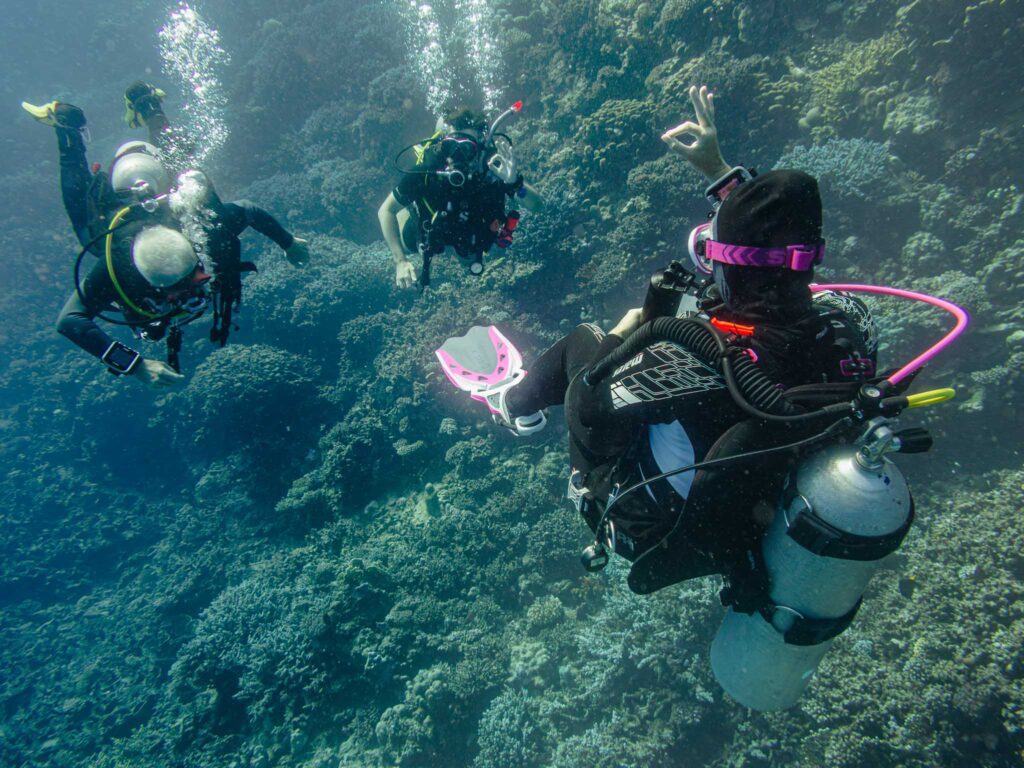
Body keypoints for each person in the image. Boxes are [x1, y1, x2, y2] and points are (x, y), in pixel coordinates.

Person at [435, 86, 881, 596]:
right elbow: (772, 246)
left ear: (728, 265)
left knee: (586, 341)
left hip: (649, 525)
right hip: (749, 520)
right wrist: (720, 173)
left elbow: (587, 411)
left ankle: (513, 404)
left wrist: (631, 332)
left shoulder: (693, 356)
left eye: (711, 255)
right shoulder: (846, 324)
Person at [22, 87, 310, 383]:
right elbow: (69, 322)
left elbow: (250, 211)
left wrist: (289, 243)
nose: (194, 293)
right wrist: (133, 364)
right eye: (182, 291)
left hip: (159, 190)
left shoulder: (200, 226)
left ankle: (146, 102)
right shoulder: (117, 268)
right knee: (87, 226)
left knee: (183, 170)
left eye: (195, 277)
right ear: (150, 285)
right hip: (119, 210)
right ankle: (69, 126)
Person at [378, 105, 545, 290]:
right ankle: (409, 208)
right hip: (430, 228)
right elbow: (386, 210)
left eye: (466, 147)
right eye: (451, 145)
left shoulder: (492, 170)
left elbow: (538, 206)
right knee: (408, 242)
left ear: (479, 148)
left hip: (472, 232)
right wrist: (400, 261)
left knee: (472, 258)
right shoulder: (428, 168)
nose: (457, 156)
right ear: (442, 144)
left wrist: (515, 183)